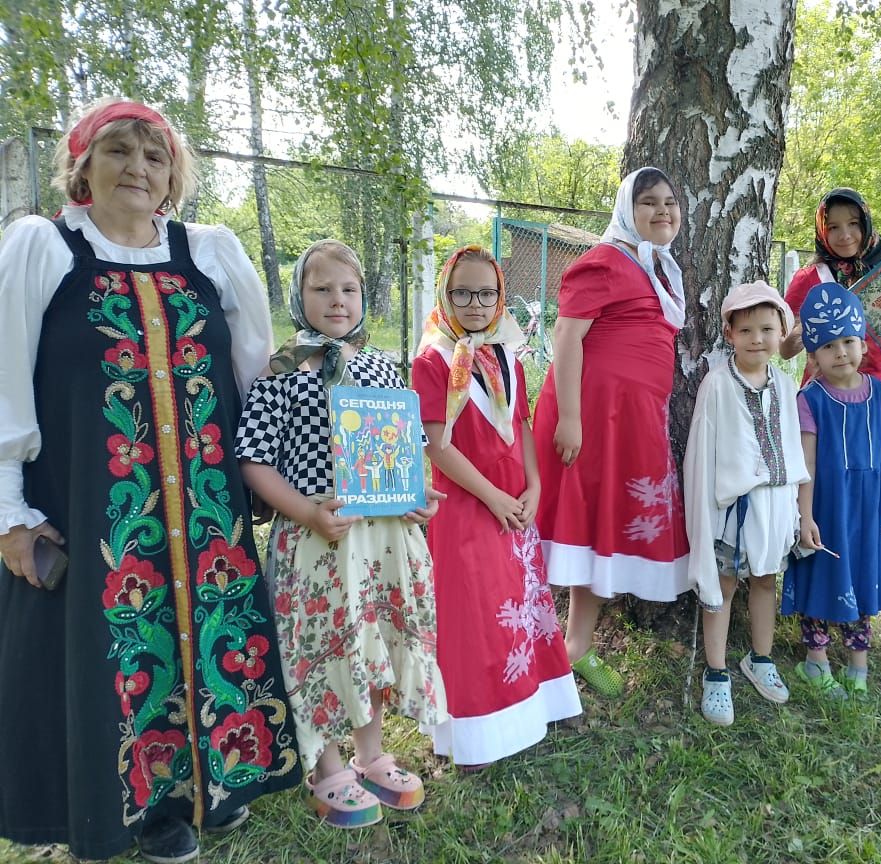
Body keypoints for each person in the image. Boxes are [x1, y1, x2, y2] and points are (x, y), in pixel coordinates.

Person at [0, 98, 299, 863]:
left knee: (213, 641)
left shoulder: (207, 253)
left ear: (174, 175)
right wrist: (9, 512)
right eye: (119, 151)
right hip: (97, 507)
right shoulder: (44, 249)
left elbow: (254, 374)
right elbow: (3, 387)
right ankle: (146, 810)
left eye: (155, 155)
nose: (138, 167)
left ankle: (220, 780)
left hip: (206, 508)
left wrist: (277, 475)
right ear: (83, 168)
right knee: (120, 656)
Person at [236, 239, 445, 826]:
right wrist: (304, 512)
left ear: (364, 297)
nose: (337, 300)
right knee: (324, 646)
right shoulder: (279, 370)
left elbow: (404, 446)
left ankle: (372, 754)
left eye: (348, 289)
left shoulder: (381, 365)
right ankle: (328, 766)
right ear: (298, 297)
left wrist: (414, 494)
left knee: (369, 639)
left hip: (381, 539)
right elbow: (253, 459)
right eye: (321, 288)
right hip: (318, 539)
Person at [412, 245, 581, 768]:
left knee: (519, 609)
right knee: (475, 616)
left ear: (501, 295)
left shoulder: (510, 352)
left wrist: (533, 486)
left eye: (487, 293)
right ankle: (476, 731)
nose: (476, 303)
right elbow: (437, 446)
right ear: (446, 293)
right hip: (468, 507)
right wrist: (494, 497)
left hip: (515, 505)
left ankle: (531, 707)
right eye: (463, 292)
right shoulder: (432, 359)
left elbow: (523, 426)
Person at [532, 167, 692, 697]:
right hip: (594, 418)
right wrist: (572, 418)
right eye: (649, 202)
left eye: (670, 202)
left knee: (604, 527)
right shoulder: (605, 261)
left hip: (633, 421)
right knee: (584, 520)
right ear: (628, 209)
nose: (663, 211)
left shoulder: (659, 269)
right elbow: (567, 336)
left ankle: (577, 646)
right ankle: (548, 647)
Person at [683, 281, 808, 725]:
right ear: (730, 334)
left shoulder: (786, 385)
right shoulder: (717, 385)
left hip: (774, 509)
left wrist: (795, 509)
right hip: (732, 511)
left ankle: (760, 657)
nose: (758, 339)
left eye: (767, 329)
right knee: (725, 584)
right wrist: (706, 511)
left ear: (781, 333)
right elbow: (702, 454)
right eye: (748, 329)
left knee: (764, 582)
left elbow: (792, 448)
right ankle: (716, 671)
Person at [782, 282, 881, 698]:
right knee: (823, 571)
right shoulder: (810, 399)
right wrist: (806, 516)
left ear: (863, 345)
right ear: (813, 355)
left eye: (849, 341)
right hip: (828, 507)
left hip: (868, 510)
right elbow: (807, 462)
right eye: (829, 345)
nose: (841, 352)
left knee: (863, 573)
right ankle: (815, 661)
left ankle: (858, 661)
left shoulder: (880, 396)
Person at [780, 188, 881, 389]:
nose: (845, 235)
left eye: (853, 224)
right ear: (822, 230)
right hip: (822, 398)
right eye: (833, 227)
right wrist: (815, 320)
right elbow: (785, 350)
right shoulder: (809, 278)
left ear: (865, 223)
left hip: (874, 393)